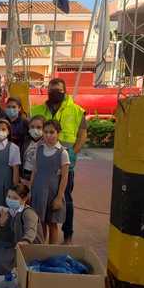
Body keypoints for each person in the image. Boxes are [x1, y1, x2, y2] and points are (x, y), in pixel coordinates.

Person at [31, 78, 87, 244]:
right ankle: (41, 242)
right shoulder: (38, 109)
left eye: (58, 90)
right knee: (43, 209)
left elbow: (83, 134)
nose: (55, 92)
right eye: (52, 89)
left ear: (64, 91)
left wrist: (73, 152)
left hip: (64, 163)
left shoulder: (76, 110)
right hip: (44, 162)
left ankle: (68, 234)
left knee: (65, 199)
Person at [0, 184, 44, 274]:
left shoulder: (28, 213)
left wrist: (25, 241)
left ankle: (15, 274)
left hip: (28, 248)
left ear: (24, 199)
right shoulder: (12, 212)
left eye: (15, 198)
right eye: (8, 197)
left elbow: (31, 231)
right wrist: (1, 225)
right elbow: (9, 233)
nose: (10, 200)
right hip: (16, 245)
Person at [30, 120, 70, 244]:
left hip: (53, 193)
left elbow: (64, 177)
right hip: (38, 191)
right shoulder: (39, 149)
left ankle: (52, 250)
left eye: (52, 132)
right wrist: (30, 190)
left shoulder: (62, 153)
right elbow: (35, 171)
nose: (48, 135)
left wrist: (59, 198)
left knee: (52, 224)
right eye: (46, 132)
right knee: (40, 222)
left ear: (58, 133)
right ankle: (42, 248)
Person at [22, 115, 45, 181]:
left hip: (38, 176)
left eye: (39, 127)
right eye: (32, 127)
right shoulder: (25, 141)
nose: (35, 130)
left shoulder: (46, 144)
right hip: (25, 174)